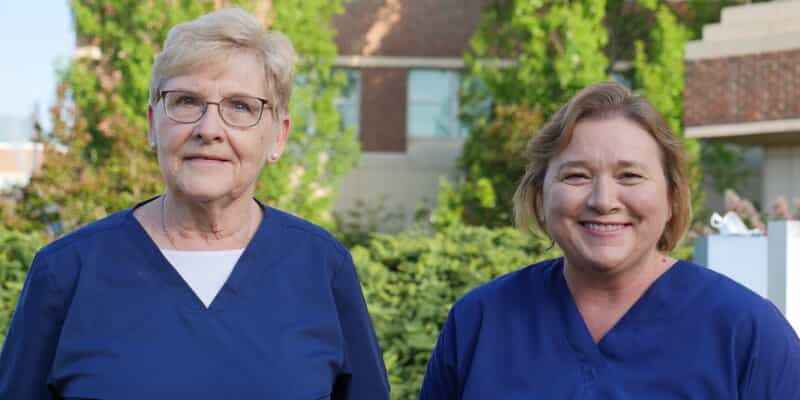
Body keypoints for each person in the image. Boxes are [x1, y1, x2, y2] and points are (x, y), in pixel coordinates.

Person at [0, 8, 390, 399]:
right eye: (187, 101)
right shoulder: (66, 273)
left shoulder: (322, 269)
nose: (209, 130)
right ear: (154, 124)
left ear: (278, 137)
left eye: (241, 107)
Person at [418, 82, 800, 399]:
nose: (603, 201)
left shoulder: (747, 334)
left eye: (630, 176)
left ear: (672, 196)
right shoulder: (481, 322)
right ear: (540, 194)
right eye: (576, 176)